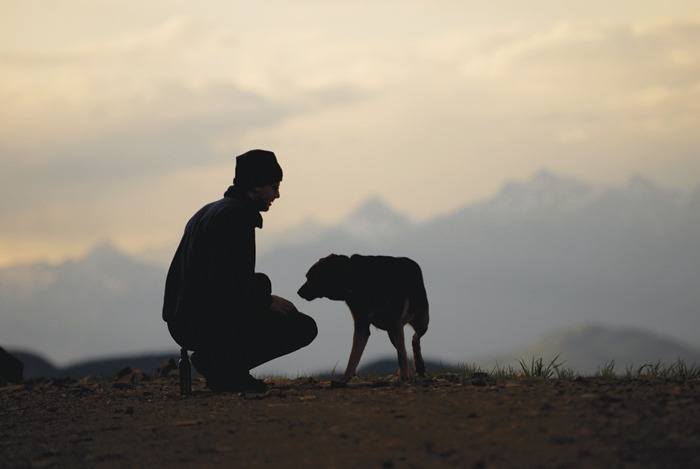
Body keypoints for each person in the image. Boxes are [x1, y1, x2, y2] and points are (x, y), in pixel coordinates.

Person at [162, 149, 317, 392]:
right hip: (203, 320)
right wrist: (264, 300)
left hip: (181, 319)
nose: (277, 194)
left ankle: (219, 362)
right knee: (301, 327)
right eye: (273, 186)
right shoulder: (238, 216)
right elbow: (225, 283)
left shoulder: (209, 211)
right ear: (256, 186)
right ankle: (225, 369)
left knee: (263, 288)